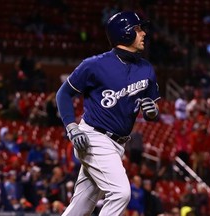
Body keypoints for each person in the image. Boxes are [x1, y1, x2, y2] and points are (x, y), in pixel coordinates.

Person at [56, 11, 160, 216]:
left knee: (83, 203)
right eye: (138, 29)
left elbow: (152, 108)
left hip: (118, 144)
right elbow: (63, 94)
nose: (143, 34)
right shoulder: (94, 65)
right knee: (121, 193)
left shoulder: (146, 69)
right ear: (125, 33)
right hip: (93, 137)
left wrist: (152, 111)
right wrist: (71, 127)